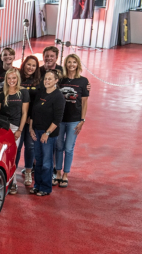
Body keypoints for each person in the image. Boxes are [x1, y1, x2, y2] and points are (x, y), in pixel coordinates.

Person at [54, 54, 89, 188]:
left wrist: (82, 120)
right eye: (69, 62)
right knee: (58, 147)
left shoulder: (83, 81)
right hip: (60, 119)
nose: (71, 65)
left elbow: (84, 103)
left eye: (74, 62)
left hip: (74, 120)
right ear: (65, 64)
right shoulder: (61, 80)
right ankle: (57, 172)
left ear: (78, 64)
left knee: (69, 148)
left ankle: (65, 174)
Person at [29, 70, 64, 196]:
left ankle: (46, 187)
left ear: (56, 81)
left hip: (48, 135)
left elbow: (57, 119)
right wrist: (31, 128)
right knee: (38, 160)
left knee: (46, 162)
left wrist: (47, 133)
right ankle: (37, 185)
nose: (47, 81)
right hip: (37, 131)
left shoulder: (58, 97)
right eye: (45, 79)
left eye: (50, 79)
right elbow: (33, 111)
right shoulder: (41, 92)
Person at [0, 68, 30, 194]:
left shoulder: (23, 92)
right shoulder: (1, 94)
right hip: (3, 128)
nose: (11, 81)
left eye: (14, 78)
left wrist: (20, 129)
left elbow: (24, 113)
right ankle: (4, 182)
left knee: (13, 155)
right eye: (9, 78)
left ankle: (13, 183)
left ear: (18, 79)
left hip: (16, 128)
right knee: (3, 155)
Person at [19, 55, 42, 187]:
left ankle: (28, 171)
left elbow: (39, 102)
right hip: (18, 119)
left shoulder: (39, 81)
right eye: (29, 64)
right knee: (17, 146)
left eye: (34, 66)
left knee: (30, 146)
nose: (31, 68)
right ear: (24, 65)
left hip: (31, 120)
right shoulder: (18, 78)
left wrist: (31, 118)